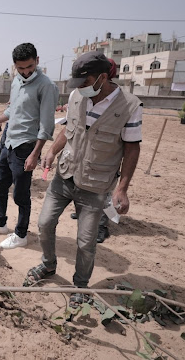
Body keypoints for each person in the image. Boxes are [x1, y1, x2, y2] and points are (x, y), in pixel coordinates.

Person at [25, 51, 142, 308]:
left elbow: (132, 148)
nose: (80, 89)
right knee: (45, 223)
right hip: (65, 176)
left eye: (85, 82)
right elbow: (68, 131)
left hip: (96, 184)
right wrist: (52, 151)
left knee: (86, 241)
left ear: (102, 77)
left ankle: (80, 284)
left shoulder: (130, 106)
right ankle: (48, 265)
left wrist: (122, 189)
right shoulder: (78, 95)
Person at [0, 43, 58, 249]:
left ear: (37, 61)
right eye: (20, 68)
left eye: (29, 67)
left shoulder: (46, 86)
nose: (26, 72)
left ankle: (21, 234)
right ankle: (1, 222)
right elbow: (12, 111)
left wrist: (35, 154)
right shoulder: (16, 82)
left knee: (21, 193)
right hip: (8, 141)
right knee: (0, 186)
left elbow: (47, 125)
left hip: (26, 146)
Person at [69, 58, 119, 243]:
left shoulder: (117, 100)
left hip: (105, 159)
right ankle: (82, 214)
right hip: (84, 154)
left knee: (103, 195)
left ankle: (101, 227)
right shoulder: (84, 96)